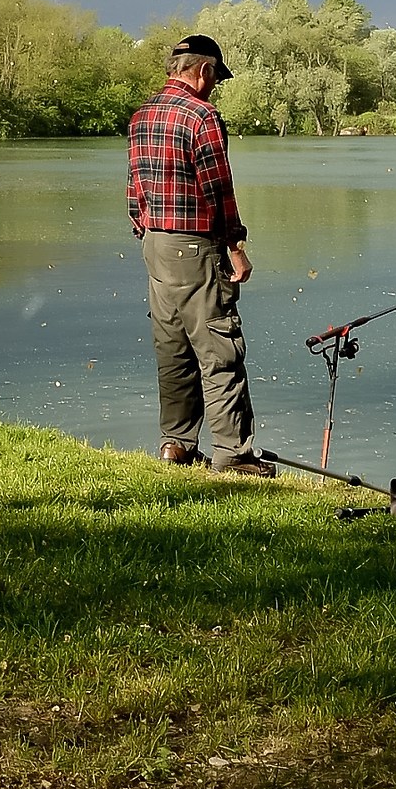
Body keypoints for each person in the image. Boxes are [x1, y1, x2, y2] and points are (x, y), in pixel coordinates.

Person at [126, 34, 273, 477]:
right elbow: (217, 188)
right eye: (215, 78)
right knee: (219, 349)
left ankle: (176, 445)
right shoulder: (202, 115)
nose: (214, 87)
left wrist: (148, 232)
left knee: (172, 349)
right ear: (204, 70)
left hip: (155, 245)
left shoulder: (142, 116)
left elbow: (135, 188)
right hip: (198, 247)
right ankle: (234, 455)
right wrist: (235, 246)